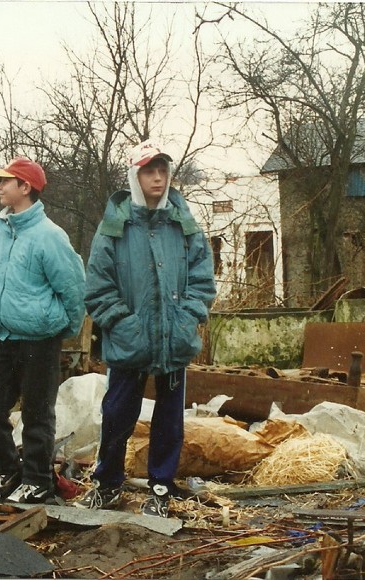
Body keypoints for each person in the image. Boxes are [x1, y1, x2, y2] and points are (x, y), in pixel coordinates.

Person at [78, 140, 216, 517]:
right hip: (128, 343)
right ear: (134, 176)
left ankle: (161, 484)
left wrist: (187, 317)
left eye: (162, 170)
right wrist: (125, 324)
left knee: (170, 420)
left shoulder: (184, 224)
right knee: (118, 414)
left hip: (173, 342)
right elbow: (98, 287)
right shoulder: (114, 228)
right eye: (148, 171)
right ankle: (107, 484)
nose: (157, 177)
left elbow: (202, 280)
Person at [0, 156, 86, 504]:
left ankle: (38, 479)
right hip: (1, 337)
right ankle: (8, 471)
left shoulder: (49, 236)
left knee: (37, 413)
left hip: (39, 340)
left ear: (25, 187)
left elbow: (73, 288)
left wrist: (62, 327)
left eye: (6, 181)